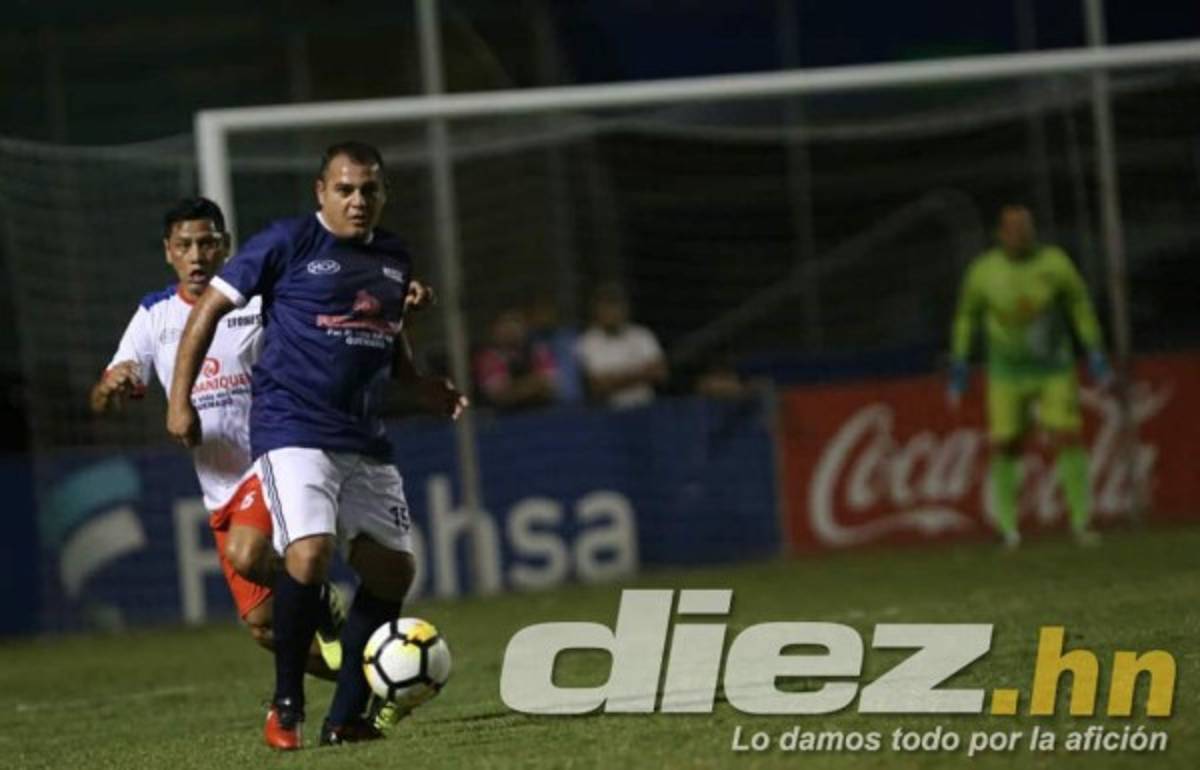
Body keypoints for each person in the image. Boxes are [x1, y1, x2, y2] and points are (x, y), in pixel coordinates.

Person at [166, 142, 466, 750]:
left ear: (383, 194)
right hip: (292, 427)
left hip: (364, 435)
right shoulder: (287, 242)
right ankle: (287, 705)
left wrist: (419, 383)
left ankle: (346, 716)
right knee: (309, 552)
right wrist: (180, 399)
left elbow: (387, 331)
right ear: (321, 192)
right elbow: (209, 313)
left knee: (393, 569)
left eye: (370, 190)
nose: (359, 201)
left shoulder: (393, 255)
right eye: (346, 189)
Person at [90, 197, 344, 679]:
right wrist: (109, 387)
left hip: (277, 458)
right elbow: (103, 401)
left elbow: (331, 309)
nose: (197, 255)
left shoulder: (260, 299)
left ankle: (320, 596)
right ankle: (364, 678)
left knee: (246, 554)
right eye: (184, 245)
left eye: (207, 243)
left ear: (225, 246)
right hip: (219, 488)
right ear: (168, 252)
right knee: (264, 627)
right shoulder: (154, 315)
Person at [948, 204, 1110, 548]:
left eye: (1025, 228)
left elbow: (1078, 304)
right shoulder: (984, 271)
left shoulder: (1054, 263)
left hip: (1054, 368)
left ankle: (1081, 521)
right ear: (1001, 233)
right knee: (1005, 443)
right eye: (1013, 228)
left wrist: (1093, 347)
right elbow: (966, 316)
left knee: (1066, 434)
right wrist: (960, 359)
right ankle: (1008, 529)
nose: (1019, 234)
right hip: (1006, 372)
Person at [575, 283, 667, 408]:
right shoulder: (586, 342)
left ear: (624, 308)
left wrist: (614, 379)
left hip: (644, 409)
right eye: (605, 307)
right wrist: (642, 373)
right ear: (596, 311)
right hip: (609, 412)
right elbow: (597, 387)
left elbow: (660, 373)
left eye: (615, 306)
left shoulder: (642, 335)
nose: (611, 312)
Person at [473, 308, 557, 411]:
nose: (511, 328)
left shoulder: (537, 349)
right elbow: (502, 397)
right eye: (505, 323)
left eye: (515, 322)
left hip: (541, 413)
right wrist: (534, 384)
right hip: (505, 420)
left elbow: (550, 386)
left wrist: (517, 389)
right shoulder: (487, 358)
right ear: (494, 329)